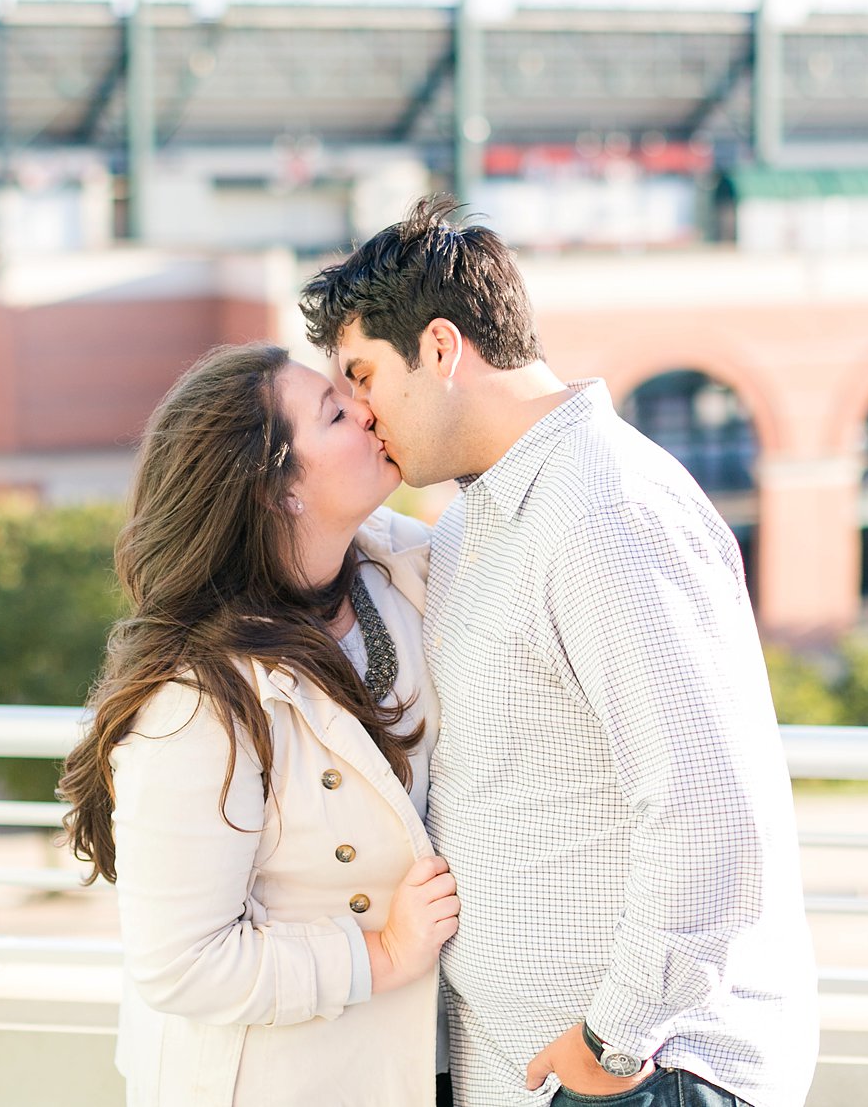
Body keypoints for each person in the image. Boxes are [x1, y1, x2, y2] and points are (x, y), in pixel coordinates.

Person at [301, 199, 818, 1107]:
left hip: (646, 1077)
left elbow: (709, 808)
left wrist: (612, 1042)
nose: (360, 411)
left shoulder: (607, 512)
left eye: (362, 375)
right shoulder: (474, 525)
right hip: (540, 1079)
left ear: (440, 347)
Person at [60, 342, 457, 1107]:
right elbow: (181, 962)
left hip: (418, 1059)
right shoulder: (193, 697)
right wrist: (382, 950)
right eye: (336, 413)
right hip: (277, 1078)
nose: (368, 410)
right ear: (279, 491)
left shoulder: (400, 566)